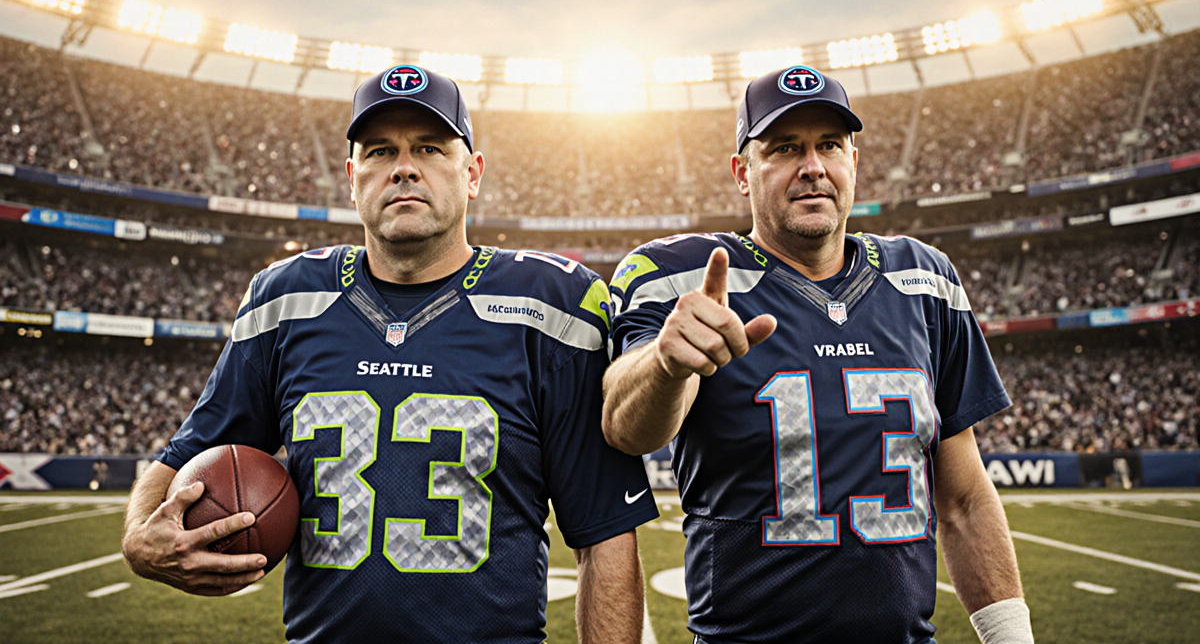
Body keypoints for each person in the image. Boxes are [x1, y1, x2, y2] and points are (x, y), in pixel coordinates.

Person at [122, 64, 658, 643]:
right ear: (353, 178)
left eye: (429, 147)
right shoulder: (286, 298)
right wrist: (138, 538)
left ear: (473, 173)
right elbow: (186, 457)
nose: (404, 167)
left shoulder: (553, 305)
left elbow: (604, 535)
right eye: (380, 151)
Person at [603, 65, 1032, 644]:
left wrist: (1011, 638)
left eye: (829, 144)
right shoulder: (681, 275)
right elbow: (626, 428)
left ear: (853, 161)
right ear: (742, 173)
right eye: (784, 148)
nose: (812, 167)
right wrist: (665, 364)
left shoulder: (923, 278)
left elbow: (962, 497)